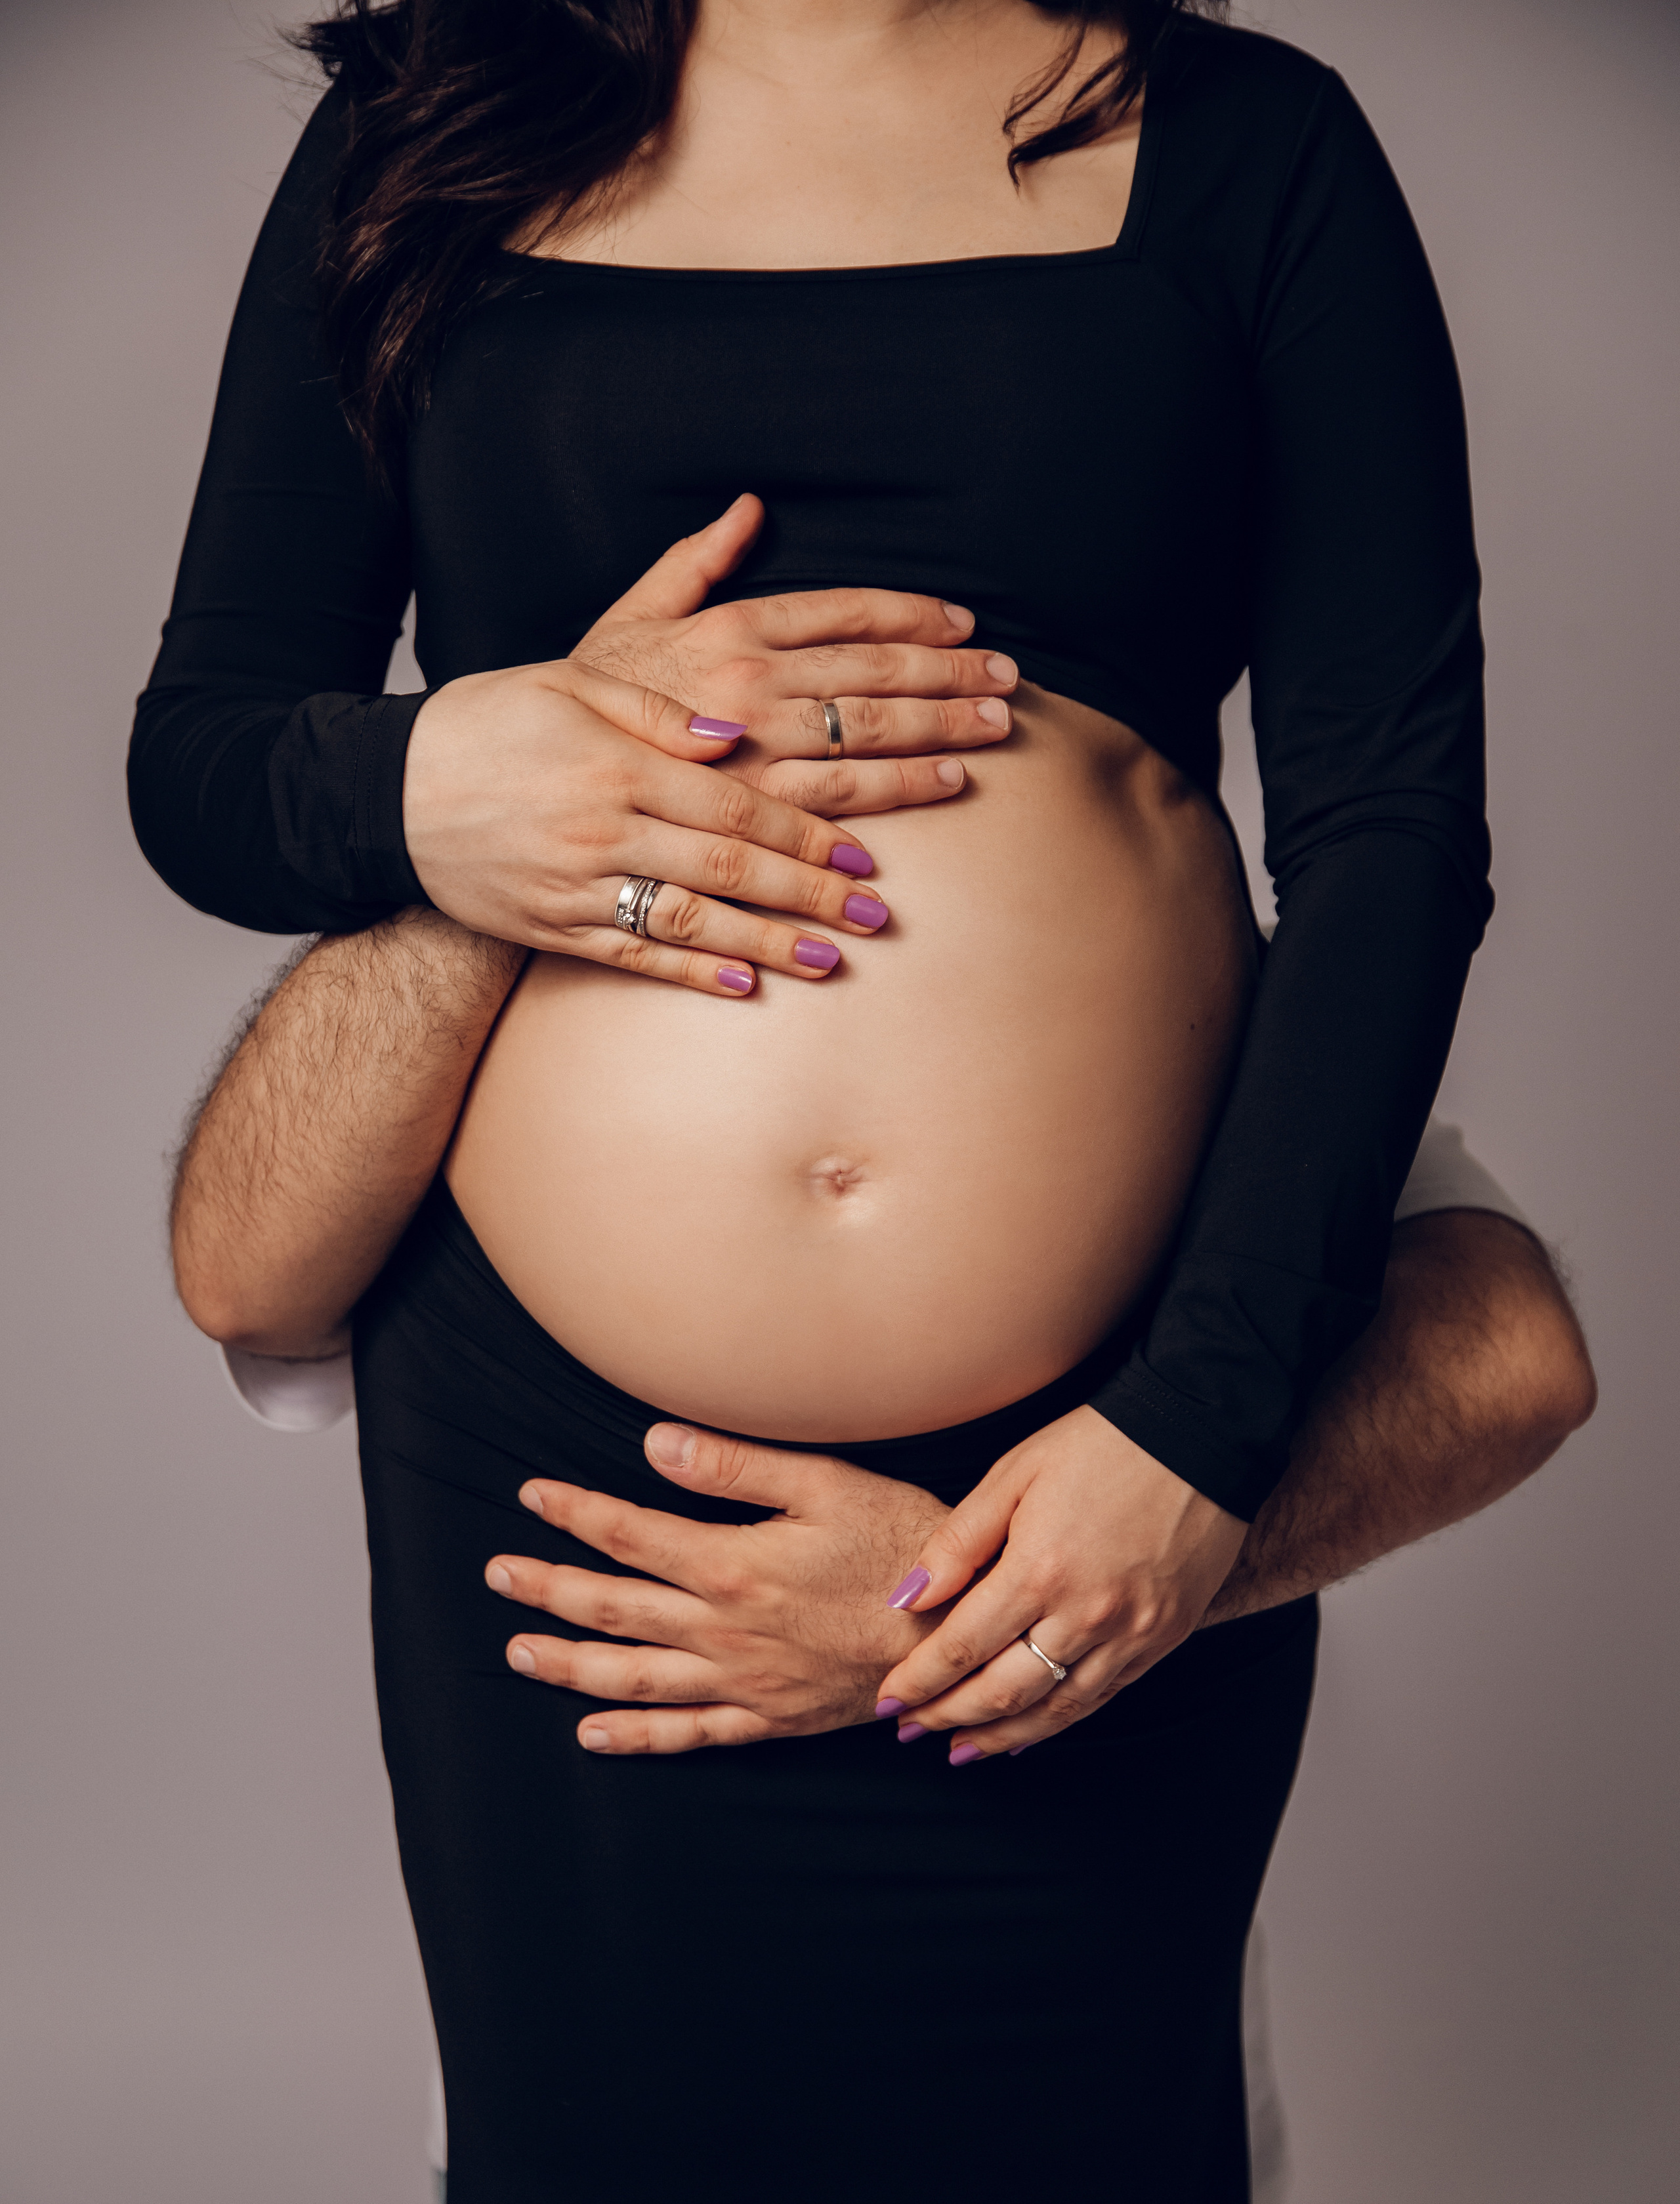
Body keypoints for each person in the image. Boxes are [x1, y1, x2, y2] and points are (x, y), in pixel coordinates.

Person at [130, 1, 1549, 2194]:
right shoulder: (429, 124)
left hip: (1107, 1411)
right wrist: (436, 767)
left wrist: (1191, 1438)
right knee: (604, 2143)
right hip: (554, 1406)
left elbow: (1390, 825)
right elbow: (212, 752)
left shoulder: (1250, 146)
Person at [184, 923, 1591, 2202]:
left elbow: (1506, 1359)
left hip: (1077, 2068)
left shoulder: (1172, 983)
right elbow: (244, 1272)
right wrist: (506, 836)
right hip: (586, 2063)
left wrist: (1000, 1605)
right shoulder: (457, 1015)